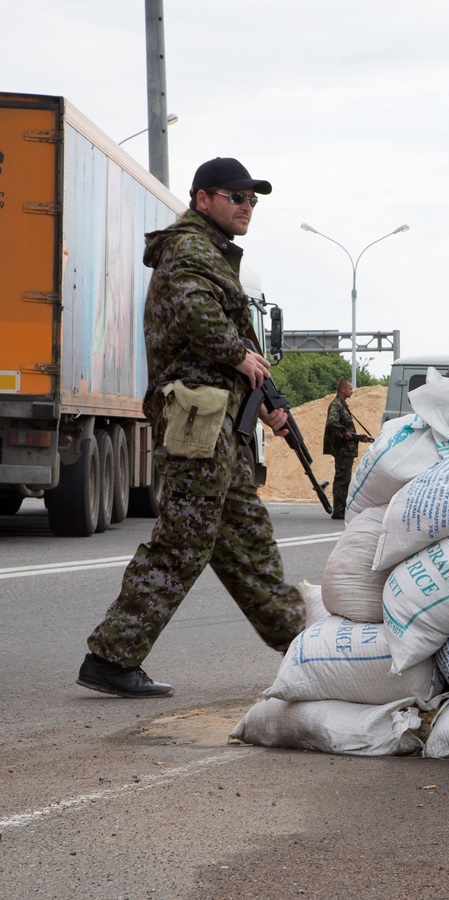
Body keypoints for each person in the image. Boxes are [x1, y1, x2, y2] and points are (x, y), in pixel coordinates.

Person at [76, 157, 305, 699]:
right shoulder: (190, 248)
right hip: (196, 417)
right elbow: (197, 315)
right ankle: (112, 656)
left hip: (218, 419)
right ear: (204, 199)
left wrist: (265, 398)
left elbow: (224, 331)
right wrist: (239, 355)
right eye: (237, 198)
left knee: (246, 536)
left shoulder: (213, 252)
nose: (248, 207)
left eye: (254, 200)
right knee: (185, 536)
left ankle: (301, 646)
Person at [323, 379, 370, 519]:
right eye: (349, 389)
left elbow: (348, 431)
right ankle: (338, 510)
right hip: (342, 449)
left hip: (346, 449)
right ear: (342, 389)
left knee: (345, 479)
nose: (352, 391)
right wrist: (344, 434)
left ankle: (342, 508)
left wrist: (359, 437)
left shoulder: (342, 405)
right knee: (342, 479)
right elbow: (332, 423)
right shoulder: (336, 405)